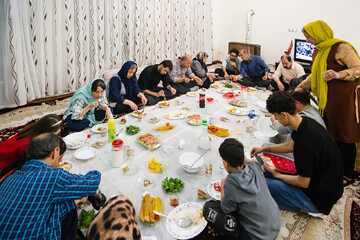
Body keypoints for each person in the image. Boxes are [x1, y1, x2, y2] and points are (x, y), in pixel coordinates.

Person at [251, 92, 343, 217]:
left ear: (284, 114)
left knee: (259, 184)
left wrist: (277, 176)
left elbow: (303, 182)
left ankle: (308, 209)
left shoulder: (305, 144)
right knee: (268, 167)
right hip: (324, 183)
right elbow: (290, 145)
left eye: (276, 117)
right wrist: (265, 148)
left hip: (318, 200)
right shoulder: (304, 121)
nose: (276, 120)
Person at [0, 133, 101, 239]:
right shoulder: (52, 176)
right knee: (68, 201)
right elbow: (93, 182)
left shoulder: (12, 177)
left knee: (63, 202)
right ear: (55, 152)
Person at [296, 20, 360, 186]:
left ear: (318, 33)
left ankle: (347, 175)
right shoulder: (319, 51)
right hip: (328, 100)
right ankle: (333, 168)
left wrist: (339, 75)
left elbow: (358, 68)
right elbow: (316, 75)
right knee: (330, 134)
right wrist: (301, 86)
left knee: (345, 137)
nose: (308, 41)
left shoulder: (341, 47)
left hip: (345, 100)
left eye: (309, 37)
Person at [203, 138, 281, 240]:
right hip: (275, 224)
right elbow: (246, 160)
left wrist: (223, 184)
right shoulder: (255, 166)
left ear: (225, 163)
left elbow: (226, 209)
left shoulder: (231, 183)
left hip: (258, 236)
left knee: (208, 207)